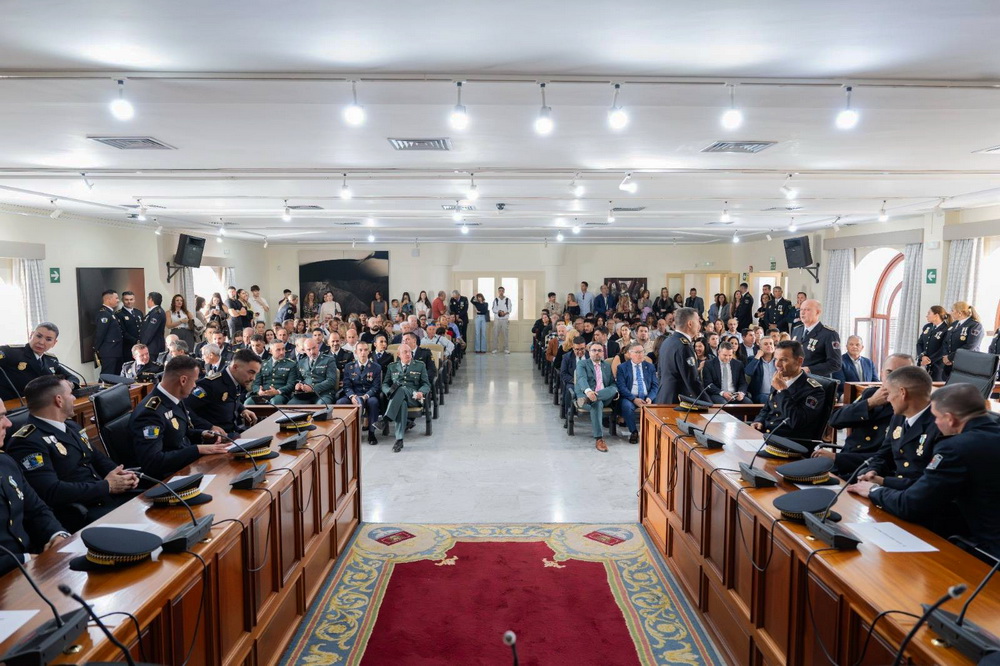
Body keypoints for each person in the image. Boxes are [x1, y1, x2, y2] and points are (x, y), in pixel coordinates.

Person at [847, 383, 1000, 557]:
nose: (935, 423)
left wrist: (874, 491)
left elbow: (911, 505)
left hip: (987, 553)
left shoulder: (955, 449)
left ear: (950, 419)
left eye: (936, 417)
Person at [8, 376, 138, 531]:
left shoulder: (71, 426)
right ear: (59, 400)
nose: (74, 398)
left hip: (107, 497)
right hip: (83, 512)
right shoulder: (27, 442)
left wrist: (123, 475)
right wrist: (106, 486)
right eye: (70, 394)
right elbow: (52, 491)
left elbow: (97, 457)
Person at [125, 355, 231, 480]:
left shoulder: (173, 398)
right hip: (167, 479)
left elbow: (179, 433)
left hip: (185, 468)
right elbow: (153, 462)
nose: (195, 386)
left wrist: (202, 434)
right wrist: (196, 450)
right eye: (195, 381)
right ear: (183, 381)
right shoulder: (149, 413)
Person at [815, 354, 916, 479]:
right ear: (881, 373)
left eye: (901, 374)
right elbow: (835, 421)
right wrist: (870, 403)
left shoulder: (911, 408)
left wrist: (838, 458)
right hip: (841, 466)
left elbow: (890, 458)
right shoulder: (871, 393)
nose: (894, 379)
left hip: (868, 472)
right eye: (889, 372)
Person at [0, 401, 69, 577]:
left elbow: (37, 509)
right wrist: (25, 559)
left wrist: (56, 535)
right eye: (0, 417)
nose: (8, 423)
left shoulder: (6, 462)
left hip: (33, 566)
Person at [751, 340, 827, 441]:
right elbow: (768, 407)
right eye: (776, 359)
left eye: (783, 360)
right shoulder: (780, 379)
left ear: (799, 361)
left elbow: (796, 421)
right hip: (767, 436)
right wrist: (759, 420)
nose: (777, 364)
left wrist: (783, 391)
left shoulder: (814, 391)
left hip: (789, 443)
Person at [185, 348, 261, 438]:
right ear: (235, 367)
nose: (253, 378)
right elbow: (185, 408)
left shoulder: (236, 380)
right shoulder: (210, 385)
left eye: (255, 374)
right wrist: (209, 427)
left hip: (232, 434)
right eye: (251, 372)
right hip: (215, 440)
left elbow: (231, 398)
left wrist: (242, 409)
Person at [376, 343, 430, 453]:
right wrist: (389, 392)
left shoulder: (420, 365)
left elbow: (426, 384)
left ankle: (385, 419)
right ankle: (399, 440)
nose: (408, 354)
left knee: (400, 389)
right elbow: (385, 384)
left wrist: (421, 392)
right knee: (402, 403)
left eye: (410, 352)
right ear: (398, 354)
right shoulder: (392, 366)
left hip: (414, 397)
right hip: (398, 399)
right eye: (405, 352)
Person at [0, 323, 63, 401]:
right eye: (39, 336)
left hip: (38, 405)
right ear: (31, 335)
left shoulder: (51, 360)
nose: (41, 342)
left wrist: (69, 385)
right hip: (11, 406)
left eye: (48, 339)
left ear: (54, 343)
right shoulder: (11, 352)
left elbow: (71, 377)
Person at [574, 342, 619, 452]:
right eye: (594, 350)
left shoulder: (607, 366)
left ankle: (589, 400)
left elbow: (612, 384)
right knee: (597, 404)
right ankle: (599, 439)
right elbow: (581, 379)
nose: (597, 353)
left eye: (599, 350)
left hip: (598, 398)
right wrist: (589, 392)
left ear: (603, 353)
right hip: (585, 395)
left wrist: (596, 395)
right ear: (589, 352)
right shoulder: (582, 364)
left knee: (613, 389)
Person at [337, 341, 383, 445]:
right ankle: (346, 433)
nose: (363, 353)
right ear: (356, 352)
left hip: (368, 395)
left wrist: (366, 396)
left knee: (373, 403)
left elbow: (376, 386)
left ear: (369, 352)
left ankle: (371, 433)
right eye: (360, 350)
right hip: (354, 395)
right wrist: (352, 396)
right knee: (340, 402)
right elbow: (346, 385)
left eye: (365, 350)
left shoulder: (376, 367)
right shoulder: (349, 367)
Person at [654, 307, 703, 404]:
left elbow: (660, 373)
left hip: (664, 398)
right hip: (677, 402)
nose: (699, 325)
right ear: (690, 324)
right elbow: (692, 381)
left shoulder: (668, 341)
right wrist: (709, 405)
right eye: (698, 321)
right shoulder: (684, 346)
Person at [616, 342, 659, 444]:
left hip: (647, 396)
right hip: (630, 397)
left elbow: (655, 385)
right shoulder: (622, 367)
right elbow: (621, 387)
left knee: (659, 403)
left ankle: (653, 431)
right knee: (626, 406)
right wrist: (634, 399)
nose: (640, 355)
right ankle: (634, 432)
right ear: (630, 354)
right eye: (637, 352)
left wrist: (650, 397)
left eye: (642, 352)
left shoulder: (650, 367)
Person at [791, 299, 842, 377]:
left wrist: (810, 369)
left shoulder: (829, 334)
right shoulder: (796, 330)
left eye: (807, 309)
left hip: (817, 382)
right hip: (797, 379)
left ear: (818, 312)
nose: (802, 312)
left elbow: (835, 363)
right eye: (801, 309)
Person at [289, 337, 339, 405]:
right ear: (304, 350)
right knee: (291, 405)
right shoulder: (301, 362)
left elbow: (331, 381)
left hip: (323, 394)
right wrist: (298, 384)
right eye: (309, 349)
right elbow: (299, 379)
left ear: (318, 346)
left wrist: (312, 388)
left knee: (321, 406)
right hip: (305, 395)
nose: (312, 352)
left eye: (314, 348)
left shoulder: (329, 360)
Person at [942, 301, 984, 380]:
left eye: (952, 311)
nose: (950, 313)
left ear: (959, 313)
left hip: (966, 365)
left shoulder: (975, 325)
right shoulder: (954, 325)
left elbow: (970, 346)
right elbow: (945, 342)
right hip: (950, 364)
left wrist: (950, 357)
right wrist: (945, 357)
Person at [247, 340, 298, 405]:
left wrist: (277, 391)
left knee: (275, 402)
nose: (282, 352)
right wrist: (258, 391)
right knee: (248, 402)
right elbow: (255, 383)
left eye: (283, 349)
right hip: (263, 394)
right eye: (278, 350)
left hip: (280, 395)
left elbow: (291, 384)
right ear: (270, 351)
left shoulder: (291, 364)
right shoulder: (262, 364)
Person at [916, 305, 951, 381]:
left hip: (937, 366)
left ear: (936, 315)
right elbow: (919, 343)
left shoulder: (947, 329)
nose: (926, 315)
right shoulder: (927, 327)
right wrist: (922, 357)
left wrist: (929, 360)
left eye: (929, 313)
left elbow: (944, 348)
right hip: (922, 363)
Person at [94, 289, 125, 374]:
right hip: (109, 351)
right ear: (108, 299)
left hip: (115, 350)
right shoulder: (104, 314)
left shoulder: (110, 313)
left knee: (116, 376)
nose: (118, 300)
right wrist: (97, 349)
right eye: (116, 298)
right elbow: (101, 333)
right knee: (107, 375)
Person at [745, 336, 777, 403]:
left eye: (771, 343)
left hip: (777, 394)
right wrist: (757, 357)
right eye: (765, 344)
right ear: (760, 347)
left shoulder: (778, 361)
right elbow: (748, 372)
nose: (769, 346)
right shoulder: (753, 359)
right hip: (760, 395)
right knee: (766, 399)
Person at [140, 292, 167, 361]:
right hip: (151, 346)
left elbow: (150, 331)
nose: (147, 301)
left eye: (147, 299)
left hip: (153, 347)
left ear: (151, 299)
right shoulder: (153, 312)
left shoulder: (157, 313)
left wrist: (142, 345)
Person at [491, 286, 512, 354]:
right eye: (499, 291)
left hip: (505, 319)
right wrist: (499, 312)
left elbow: (509, 309)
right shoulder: (496, 300)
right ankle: (495, 348)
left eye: (502, 291)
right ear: (498, 291)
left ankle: (506, 349)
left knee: (506, 334)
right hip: (497, 319)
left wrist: (505, 313)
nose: (501, 292)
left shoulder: (507, 300)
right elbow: (493, 309)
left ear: (504, 291)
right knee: (495, 334)